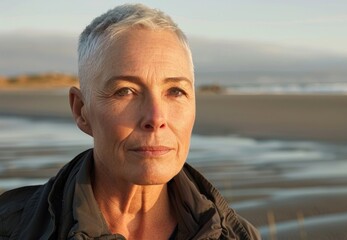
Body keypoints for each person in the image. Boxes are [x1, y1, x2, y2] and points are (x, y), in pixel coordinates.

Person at [0, 4, 261, 240]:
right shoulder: (11, 227)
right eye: (125, 91)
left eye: (175, 91)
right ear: (81, 110)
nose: (156, 118)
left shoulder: (238, 235)